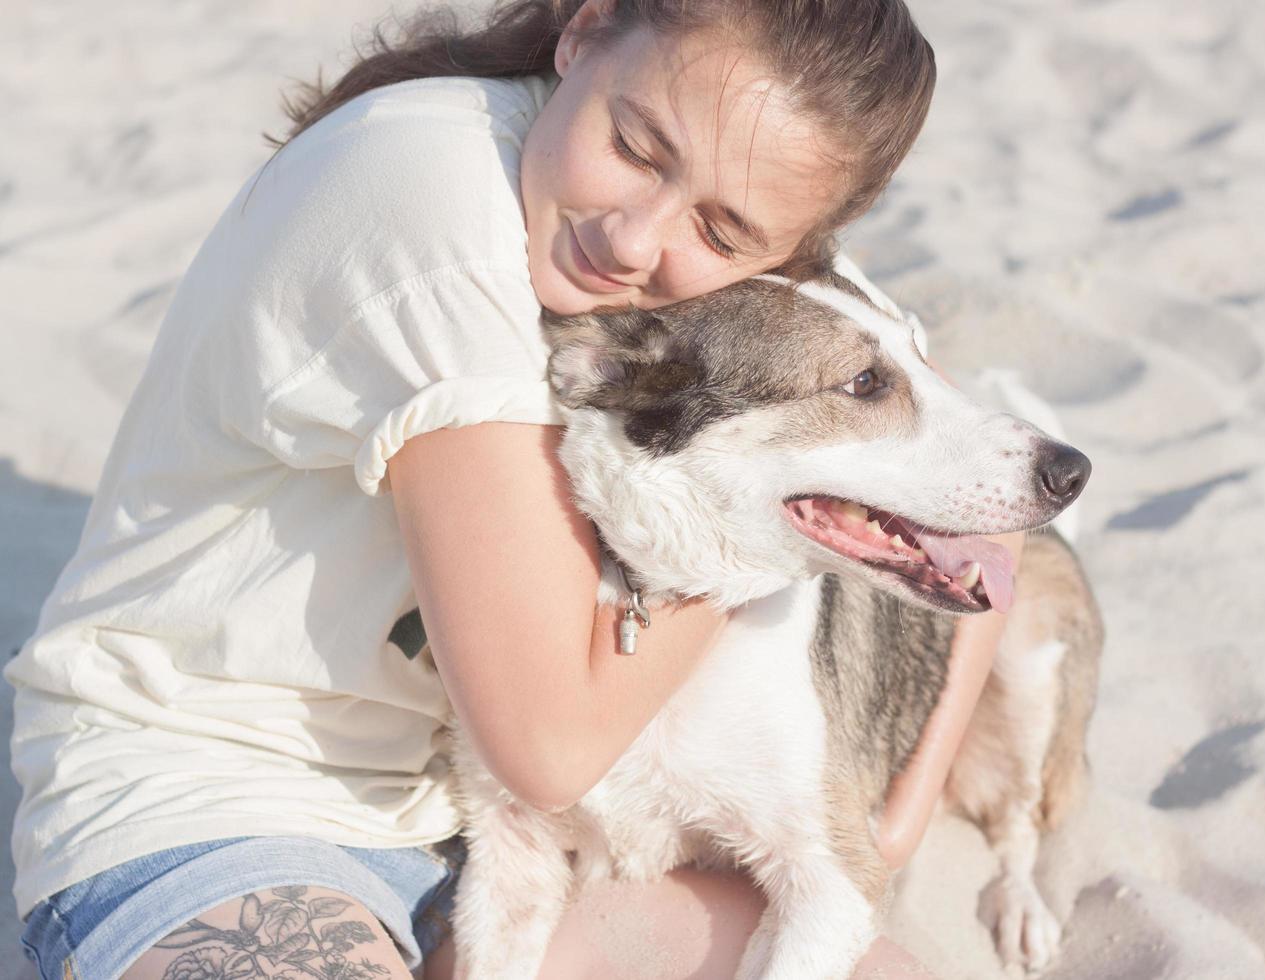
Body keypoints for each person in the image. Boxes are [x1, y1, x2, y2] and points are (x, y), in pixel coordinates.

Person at [7, 0, 1025, 977]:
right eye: (635, 146)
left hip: (460, 823)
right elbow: (551, 748)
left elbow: (993, 522)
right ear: (584, 32)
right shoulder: (437, 211)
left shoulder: (777, 291)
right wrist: (757, 534)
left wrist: (902, 807)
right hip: (222, 805)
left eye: (720, 231)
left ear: (794, 248)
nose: (633, 240)